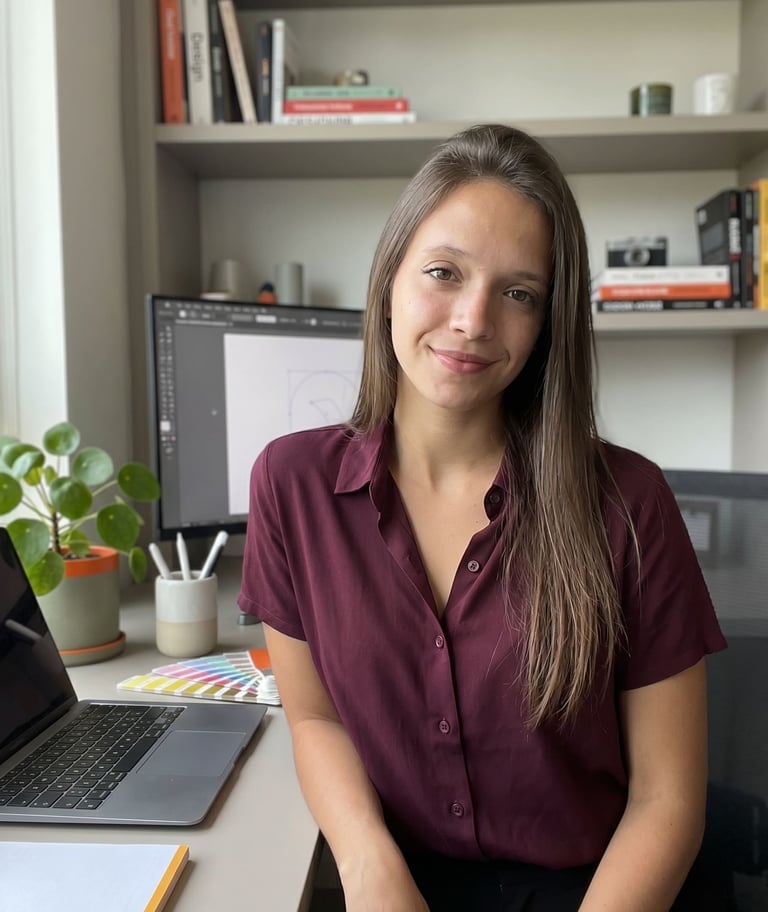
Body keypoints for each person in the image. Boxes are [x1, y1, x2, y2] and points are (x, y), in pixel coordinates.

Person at [238, 123, 727, 911]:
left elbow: (667, 805)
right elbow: (315, 718)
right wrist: (368, 866)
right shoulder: (290, 485)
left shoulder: (629, 503)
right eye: (443, 272)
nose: (472, 320)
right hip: (400, 882)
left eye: (518, 293)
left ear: (546, 323)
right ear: (389, 278)